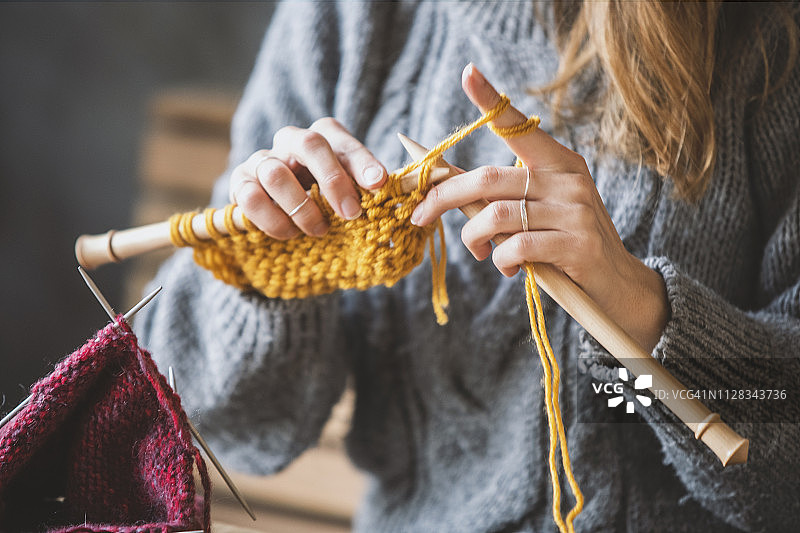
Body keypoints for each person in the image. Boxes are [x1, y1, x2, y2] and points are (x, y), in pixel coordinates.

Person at [135, 1, 800, 531]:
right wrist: (267, 270)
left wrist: (643, 309)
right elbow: (213, 422)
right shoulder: (354, 15)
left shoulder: (771, 45)